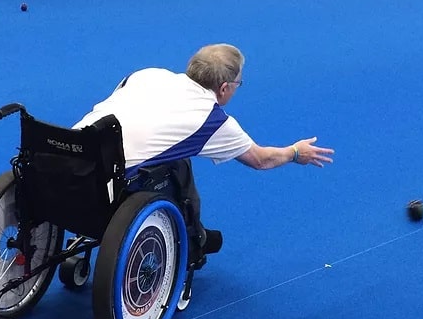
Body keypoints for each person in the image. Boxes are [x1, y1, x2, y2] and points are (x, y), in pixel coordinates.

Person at [73, 43, 334, 256]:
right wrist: (296, 152)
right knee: (177, 164)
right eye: (237, 84)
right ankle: (193, 238)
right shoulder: (212, 120)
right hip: (103, 190)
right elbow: (261, 160)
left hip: (60, 160)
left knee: (171, 154)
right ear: (224, 88)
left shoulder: (147, 74)